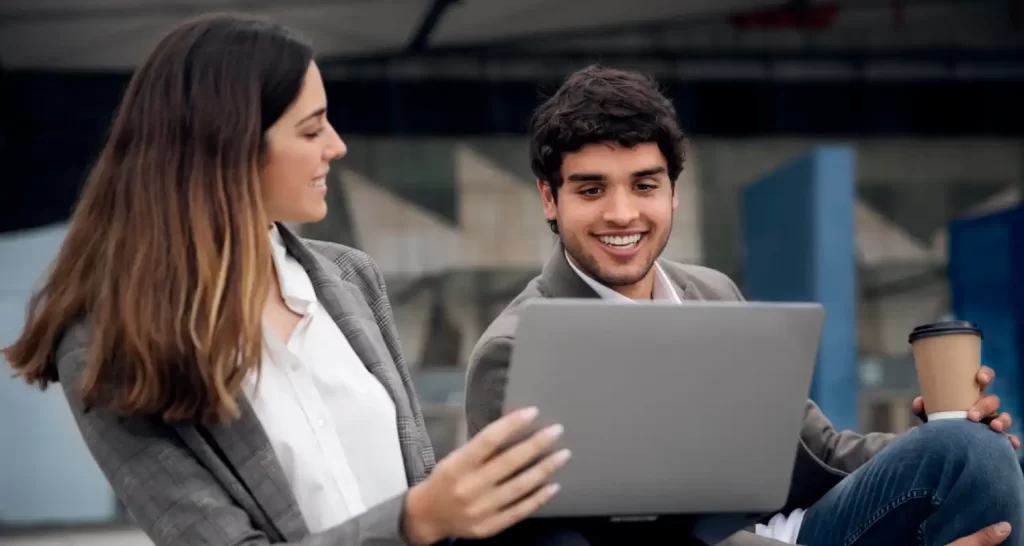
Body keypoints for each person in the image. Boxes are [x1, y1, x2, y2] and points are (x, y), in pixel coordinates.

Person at [2, 13, 573, 546]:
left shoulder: (352, 278)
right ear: (228, 147)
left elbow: (416, 478)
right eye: (310, 130)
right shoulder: (107, 339)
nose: (336, 146)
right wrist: (416, 519)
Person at [463, 64, 1024, 546]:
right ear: (549, 200)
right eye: (591, 190)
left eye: (644, 185)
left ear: (673, 191)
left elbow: (818, 452)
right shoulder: (516, 350)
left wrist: (937, 439)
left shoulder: (711, 293)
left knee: (974, 449)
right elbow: (595, 537)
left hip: (801, 529)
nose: (621, 214)